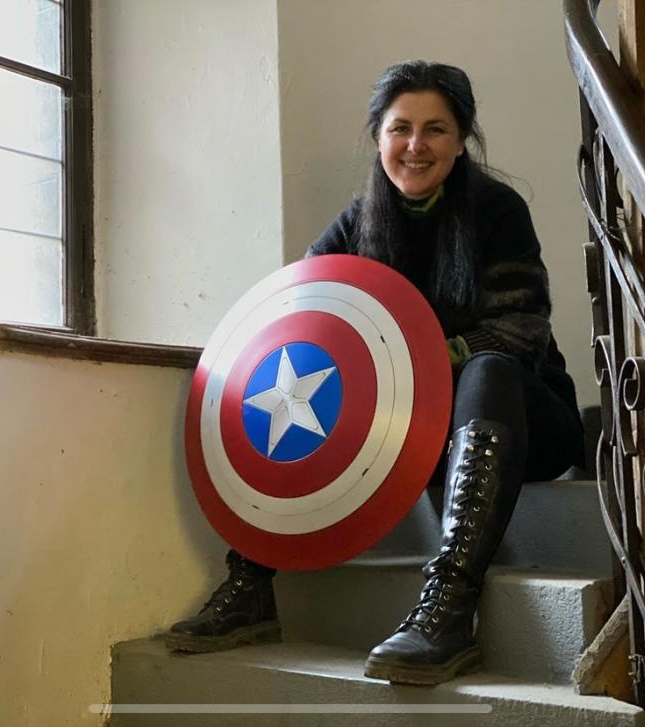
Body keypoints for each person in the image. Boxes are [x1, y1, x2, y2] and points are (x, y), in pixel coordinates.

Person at [165, 60, 584, 686]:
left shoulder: (498, 211)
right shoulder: (354, 226)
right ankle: (250, 586)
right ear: (378, 137)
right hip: (412, 439)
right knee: (291, 385)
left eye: (436, 129)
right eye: (401, 128)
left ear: (462, 138)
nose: (416, 146)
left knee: (488, 370)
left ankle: (448, 607)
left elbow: (520, 331)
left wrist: (413, 363)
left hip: (516, 422)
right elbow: (299, 325)